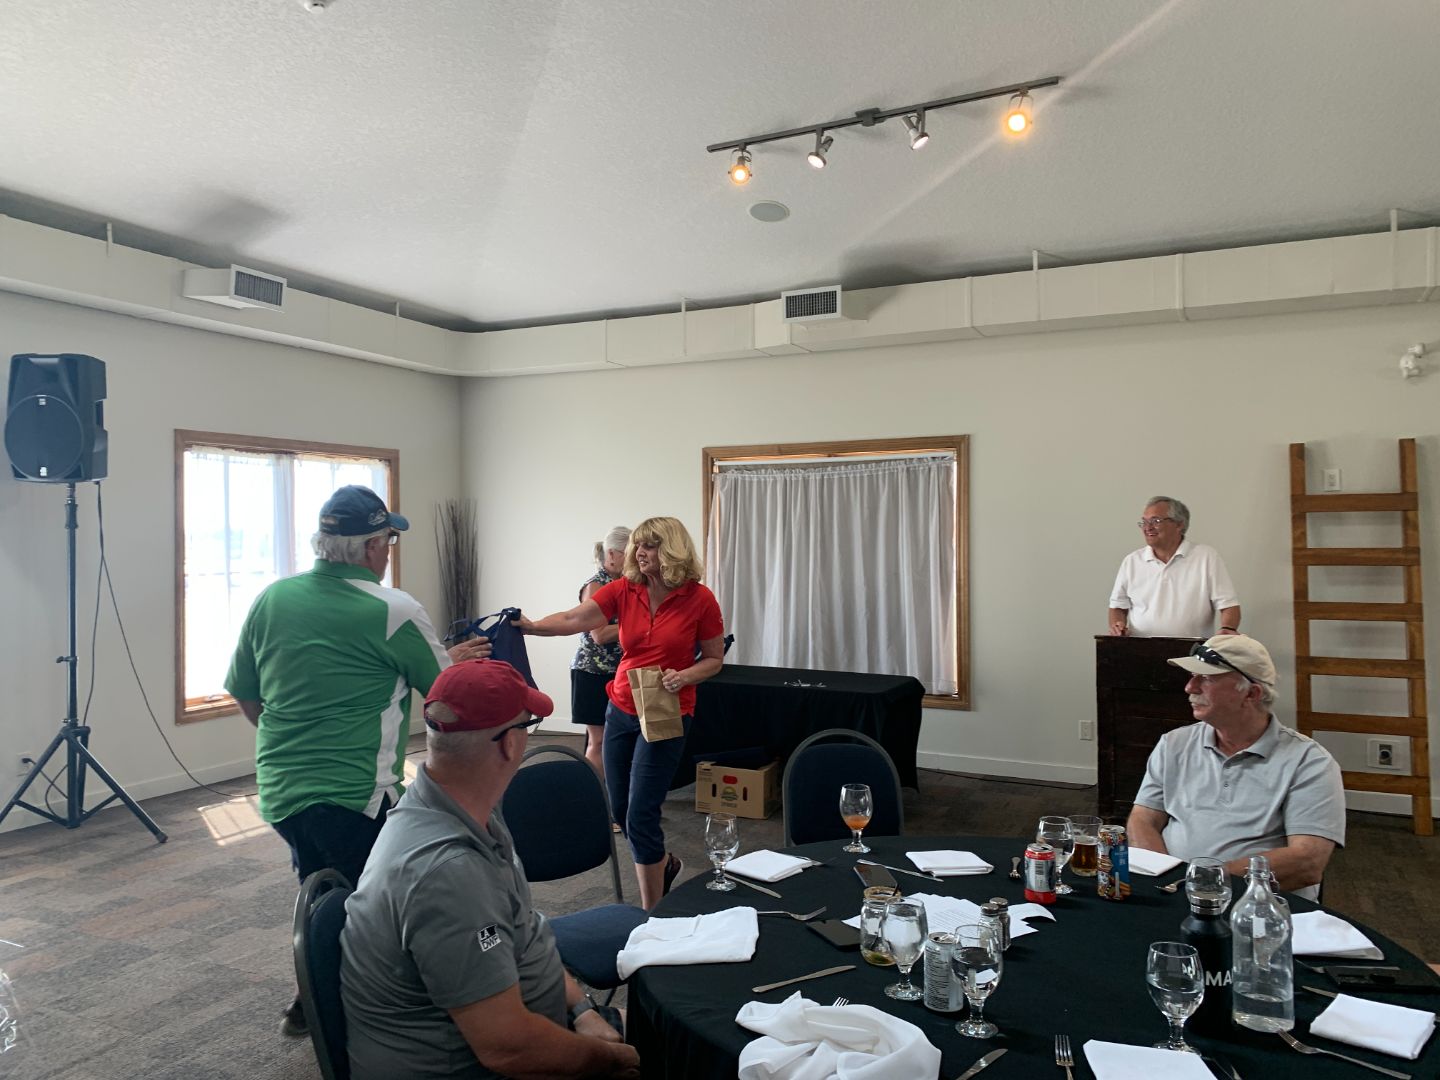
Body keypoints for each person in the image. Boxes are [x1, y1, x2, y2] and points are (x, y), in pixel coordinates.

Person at [224, 484, 490, 1037]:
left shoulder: (273, 598)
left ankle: (312, 992)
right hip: (355, 793)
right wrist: (453, 663)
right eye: (388, 539)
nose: (389, 550)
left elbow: (247, 696)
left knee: (322, 884)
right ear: (371, 547)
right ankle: (357, 1013)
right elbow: (446, 698)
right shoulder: (393, 609)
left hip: (279, 788)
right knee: (380, 899)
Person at [341, 659, 640, 1080]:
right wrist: (612, 1059)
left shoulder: (461, 808)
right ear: (510, 744)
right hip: (471, 1066)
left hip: (531, 1028)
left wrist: (582, 1010)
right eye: (530, 724)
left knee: (674, 1031)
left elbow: (525, 932)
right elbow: (508, 1050)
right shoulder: (448, 874)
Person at [519, 516, 724, 910]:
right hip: (621, 707)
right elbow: (574, 619)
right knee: (620, 808)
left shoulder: (700, 599)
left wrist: (684, 676)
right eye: (638, 546)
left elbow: (714, 659)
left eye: (650, 545)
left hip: (667, 710)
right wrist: (530, 627)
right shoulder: (624, 589)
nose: (640, 553)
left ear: (672, 550)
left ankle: (651, 912)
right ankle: (663, 864)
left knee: (641, 813)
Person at [1126, 634, 1345, 899]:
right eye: (1193, 676)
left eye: (1206, 678)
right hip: (1173, 894)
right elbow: (1143, 819)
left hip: (1259, 907)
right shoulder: (1174, 744)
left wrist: (1203, 882)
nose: (1190, 687)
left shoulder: (1310, 763)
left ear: (1251, 693)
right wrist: (1165, 879)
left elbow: (1307, 862)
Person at [1108, 495, 1241, 638]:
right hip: (1139, 648)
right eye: (1144, 522)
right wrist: (1118, 626)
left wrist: (1227, 628)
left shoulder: (1206, 557)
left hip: (1191, 649)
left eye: (1155, 521)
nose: (1147, 527)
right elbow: (1118, 606)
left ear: (1179, 524)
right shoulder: (1132, 561)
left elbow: (1229, 605)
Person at [571, 526, 630, 777]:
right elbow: (600, 634)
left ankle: (614, 795)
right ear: (613, 554)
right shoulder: (596, 585)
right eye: (631, 552)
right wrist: (641, 623)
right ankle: (594, 796)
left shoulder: (626, 583)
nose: (636, 558)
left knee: (617, 739)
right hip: (592, 673)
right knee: (599, 741)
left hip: (619, 672)